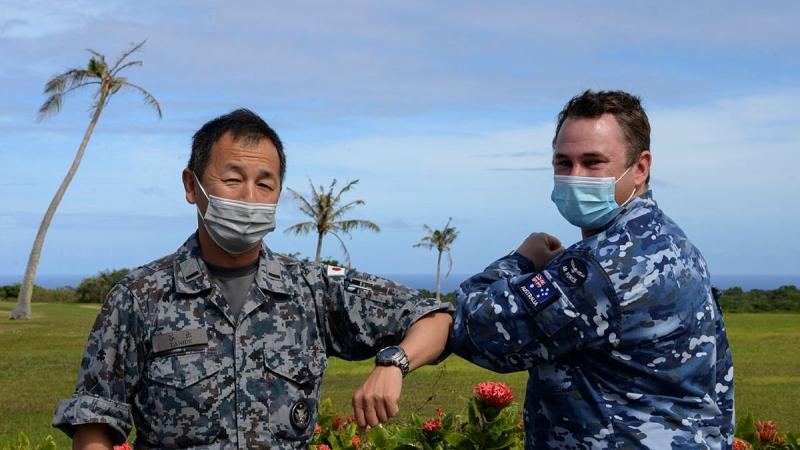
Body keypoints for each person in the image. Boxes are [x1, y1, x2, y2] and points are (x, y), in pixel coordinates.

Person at [53, 109, 453, 449]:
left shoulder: (312, 289)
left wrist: (394, 364)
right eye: (232, 179)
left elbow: (435, 318)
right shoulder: (140, 297)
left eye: (265, 183)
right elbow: (96, 420)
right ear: (192, 186)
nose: (249, 197)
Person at [449, 90, 734, 449]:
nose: (575, 176)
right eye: (563, 163)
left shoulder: (603, 264)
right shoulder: (673, 242)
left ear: (641, 168)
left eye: (593, 162)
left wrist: (520, 260)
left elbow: (476, 327)